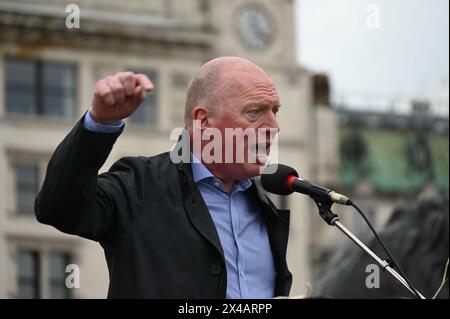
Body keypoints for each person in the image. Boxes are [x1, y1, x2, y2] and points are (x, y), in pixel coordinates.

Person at [35, 56, 292, 298]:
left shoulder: (264, 208)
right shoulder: (139, 186)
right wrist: (100, 124)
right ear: (203, 121)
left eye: (275, 111)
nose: (273, 127)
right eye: (255, 112)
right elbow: (58, 209)